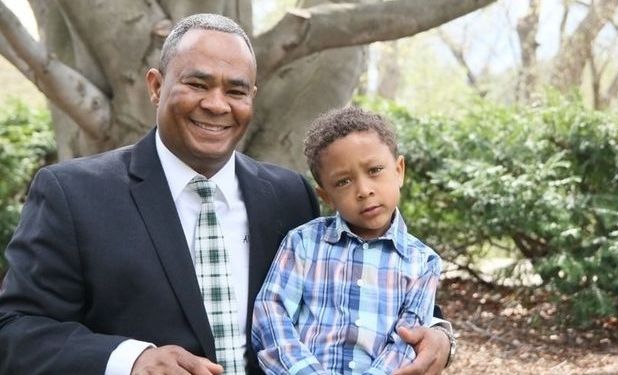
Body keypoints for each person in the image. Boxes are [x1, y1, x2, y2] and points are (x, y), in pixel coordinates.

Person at [0, 13, 453, 375]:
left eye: (236, 90)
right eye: (197, 83)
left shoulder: (287, 194)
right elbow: (15, 332)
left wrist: (439, 334)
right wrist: (130, 360)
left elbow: (371, 272)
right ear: (157, 86)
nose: (217, 104)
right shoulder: (73, 194)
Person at [252, 106, 444, 375]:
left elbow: (407, 340)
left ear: (399, 170)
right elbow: (271, 313)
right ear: (326, 196)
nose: (364, 190)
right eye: (343, 182)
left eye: (375, 170)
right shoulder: (304, 243)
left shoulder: (422, 262)